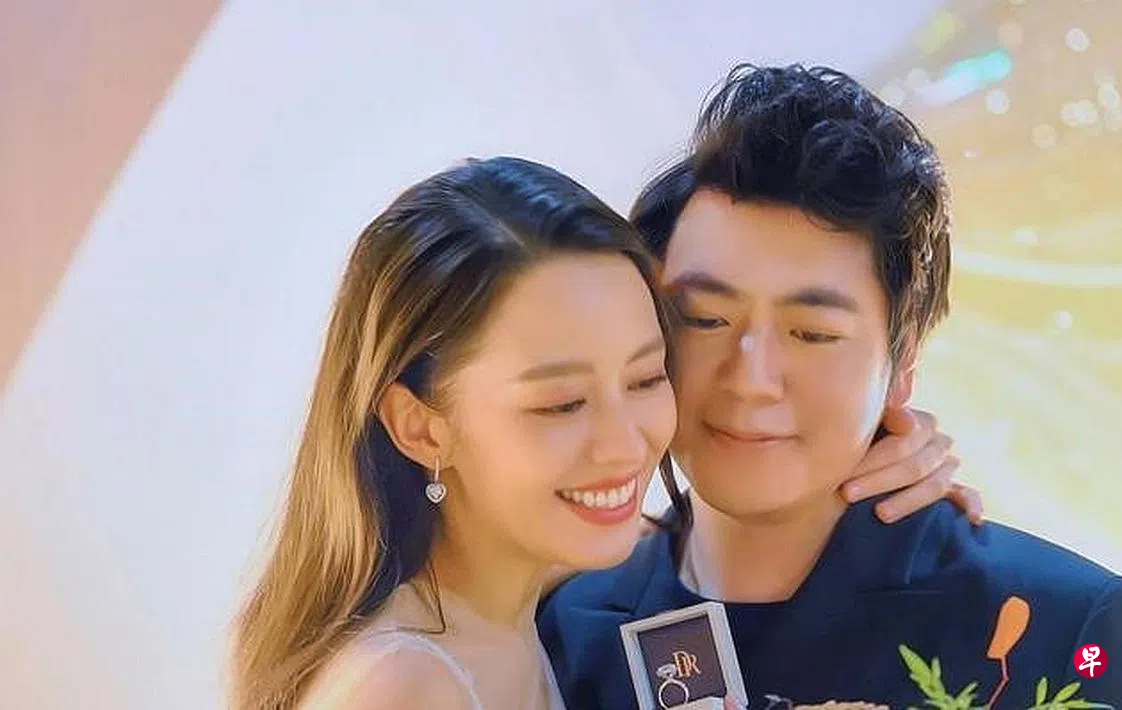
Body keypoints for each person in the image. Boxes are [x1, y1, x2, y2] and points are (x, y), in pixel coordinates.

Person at [231, 156, 976, 710]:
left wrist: (879, 447)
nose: (624, 445)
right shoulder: (404, 687)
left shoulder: (535, 595)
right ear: (420, 428)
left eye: (647, 379)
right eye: (561, 405)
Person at [538, 64, 1122, 709]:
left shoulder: (1062, 625)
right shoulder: (565, 627)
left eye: (812, 333)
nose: (751, 380)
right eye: (706, 319)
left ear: (903, 362)